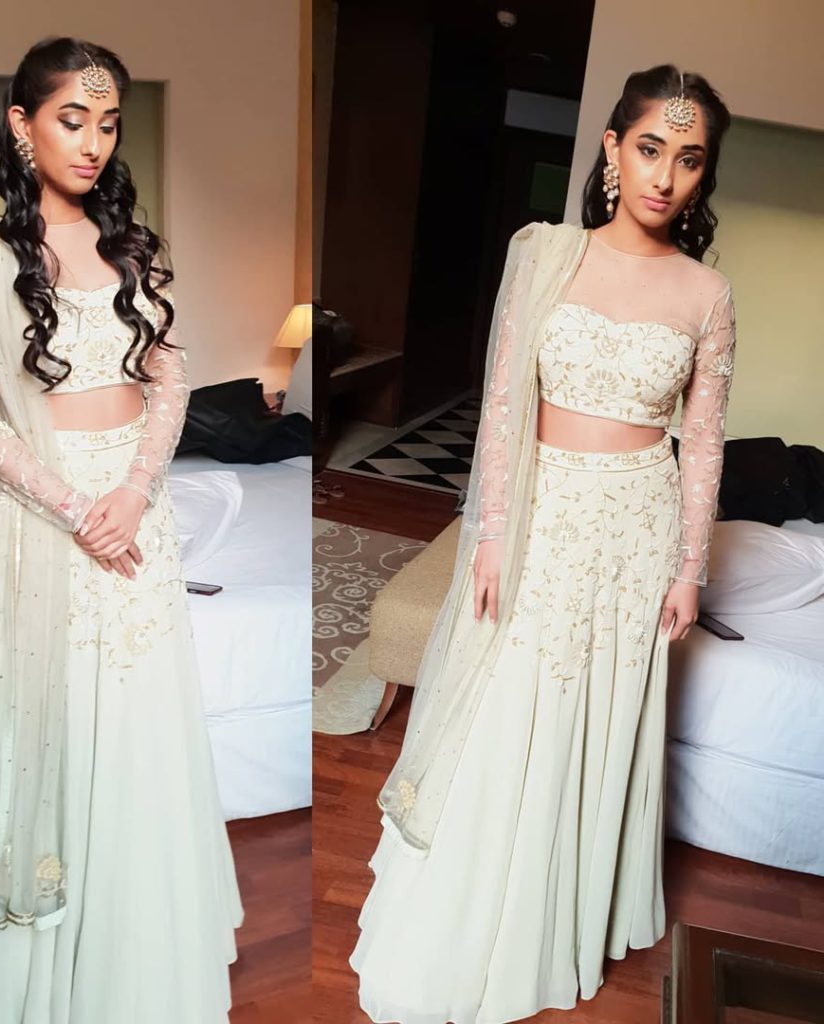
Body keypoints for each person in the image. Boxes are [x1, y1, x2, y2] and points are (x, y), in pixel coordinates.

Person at [350, 64, 737, 1023]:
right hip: (544, 511)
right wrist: (489, 532)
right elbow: (501, 407)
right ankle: (479, 906)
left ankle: (563, 909)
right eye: (650, 148)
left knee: (593, 712)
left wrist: (689, 568)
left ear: (703, 173)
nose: (665, 176)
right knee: (512, 698)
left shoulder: (707, 293)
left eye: (689, 159)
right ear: (612, 148)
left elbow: (703, 444)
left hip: (639, 526)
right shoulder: (546, 255)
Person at [0, 37, 243, 1022]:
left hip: (134, 515)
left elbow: (171, 380)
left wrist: (134, 490)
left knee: (138, 723)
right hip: (36, 519)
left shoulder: (134, 245)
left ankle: (132, 962)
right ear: (22, 125)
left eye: (108, 124)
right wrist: (74, 510)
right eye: (71, 119)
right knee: (40, 725)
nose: (93, 142)